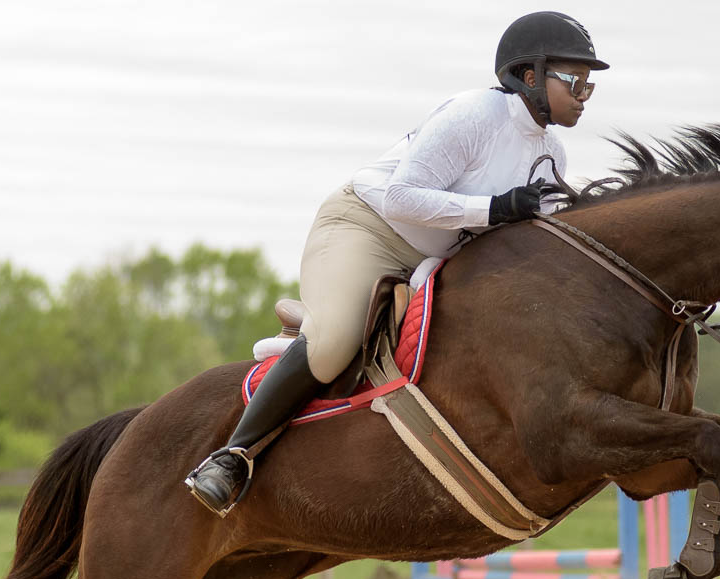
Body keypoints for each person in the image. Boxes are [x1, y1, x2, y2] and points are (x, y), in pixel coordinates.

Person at [185, 11, 609, 514]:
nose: (583, 96)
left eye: (588, 87)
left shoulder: (553, 153)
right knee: (336, 341)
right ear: (531, 77)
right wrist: (494, 208)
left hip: (439, 257)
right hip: (368, 228)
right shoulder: (473, 115)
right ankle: (232, 456)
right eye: (575, 82)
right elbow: (402, 199)